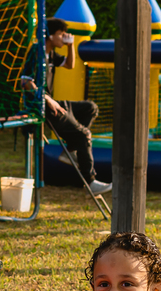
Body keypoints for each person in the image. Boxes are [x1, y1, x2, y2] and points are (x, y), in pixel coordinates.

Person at [19, 18, 111, 194]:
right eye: (61, 35)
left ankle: (70, 149)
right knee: (84, 134)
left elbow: (70, 65)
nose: (64, 37)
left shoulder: (51, 53)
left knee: (90, 108)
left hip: (51, 102)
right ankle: (91, 182)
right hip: (41, 106)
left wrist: (70, 45)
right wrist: (47, 99)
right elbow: (25, 82)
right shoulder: (36, 52)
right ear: (50, 35)